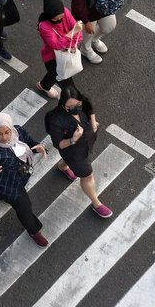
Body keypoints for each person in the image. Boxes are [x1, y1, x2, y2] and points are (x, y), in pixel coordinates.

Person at [0, 113, 49, 247]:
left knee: (0, 193)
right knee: (25, 208)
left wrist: (39, 148)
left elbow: (30, 143)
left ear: (11, 128)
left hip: (22, 174)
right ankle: (34, 231)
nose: (4, 137)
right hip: (9, 186)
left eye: (7, 132)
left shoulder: (18, 132)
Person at [45, 86, 113, 218]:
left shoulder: (83, 102)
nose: (76, 108)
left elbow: (90, 107)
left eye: (78, 104)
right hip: (73, 150)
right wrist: (73, 139)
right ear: (63, 105)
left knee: (74, 161)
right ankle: (96, 203)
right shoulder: (56, 120)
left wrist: (93, 122)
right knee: (87, 175)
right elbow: (58, 144)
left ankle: (63, 166)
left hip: (87, 141)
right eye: (70, 106)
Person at [36, 0, 84, 99]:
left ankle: (44, 85)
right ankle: (77, 105)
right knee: (68, 85)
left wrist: (73, 44)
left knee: (54, 75)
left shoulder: (65, 11)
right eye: (56, 18)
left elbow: (79, 34)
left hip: (68, 51)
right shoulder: (43, 26)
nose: (60, 20)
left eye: (61, 17)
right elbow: (56, 45)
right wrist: (73, 32)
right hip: (52, 57)